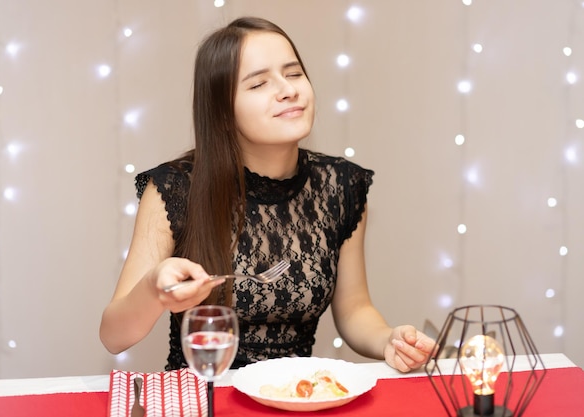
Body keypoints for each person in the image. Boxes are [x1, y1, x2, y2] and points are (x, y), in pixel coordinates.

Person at [99, 16, 435, 373]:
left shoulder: (340, 185)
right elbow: (114, 335)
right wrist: (154, 289)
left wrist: (389, 340)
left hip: (296, 397)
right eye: (258, 83)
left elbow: (354, 309)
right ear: (224, 112)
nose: (288, 90)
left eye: (293, 74)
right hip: (205, 396)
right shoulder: (174, 188)